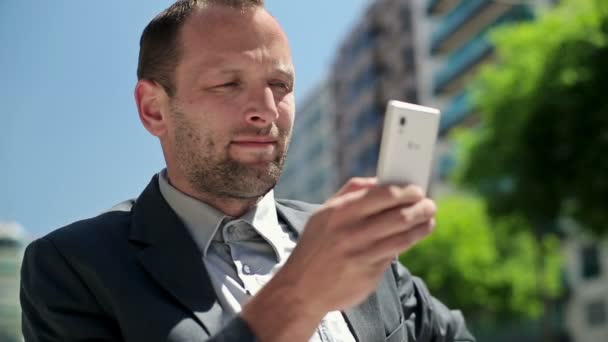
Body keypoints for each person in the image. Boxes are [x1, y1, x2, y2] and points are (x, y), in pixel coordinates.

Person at [19, 1, 476, 341]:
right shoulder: (71, 268)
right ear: (153, 109)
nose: (265, 111)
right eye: (228, 83)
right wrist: (299, 296)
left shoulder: (355, 243)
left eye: (280, 85)